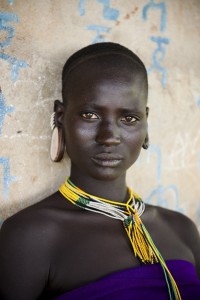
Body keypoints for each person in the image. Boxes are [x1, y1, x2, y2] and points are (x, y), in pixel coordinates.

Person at [0, 42, 200, 300]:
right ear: (60, 117)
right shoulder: (29, 236)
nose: (109, 137)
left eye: (129, 119)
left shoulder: (182, 229)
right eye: (90, 115)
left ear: (146, 124)